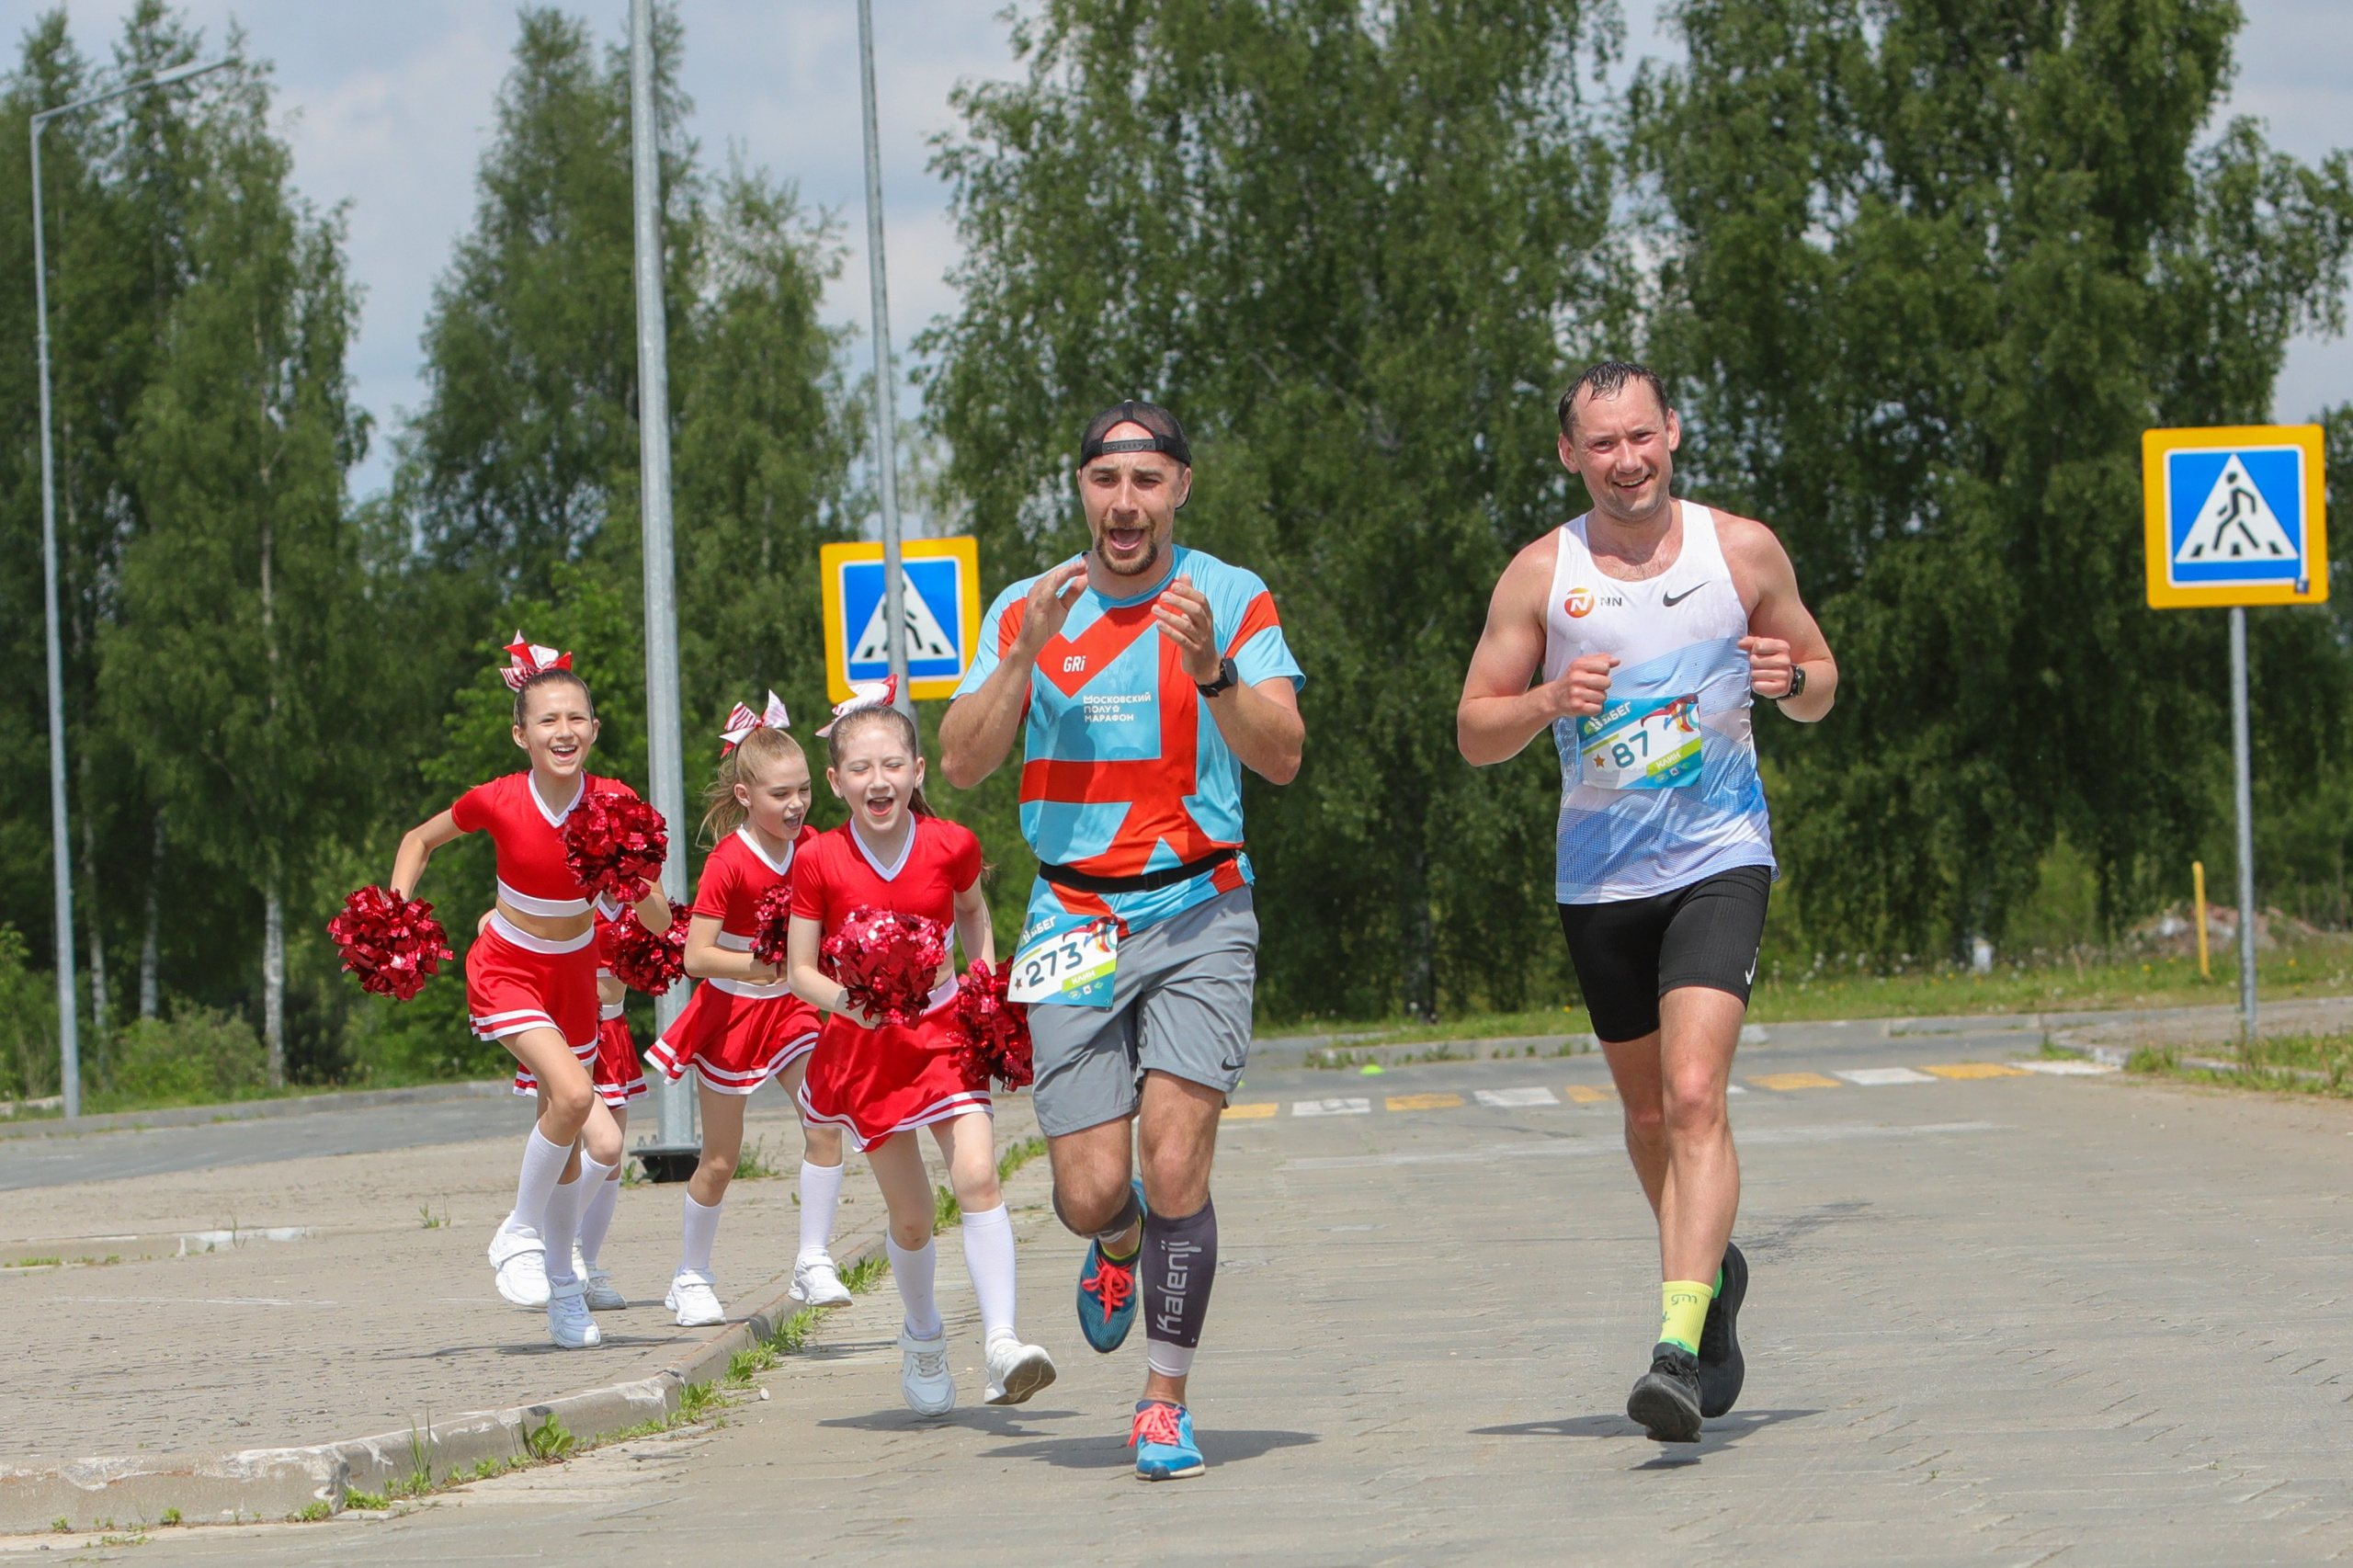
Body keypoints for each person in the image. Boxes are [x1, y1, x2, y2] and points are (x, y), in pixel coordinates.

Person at [1455, 362, 1838, 1442]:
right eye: (1602, 445)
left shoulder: (1742, 549)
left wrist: (1789, 678)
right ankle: (1711, 1273)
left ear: (1672, 430)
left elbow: (1820, 677)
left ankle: (1675, 1344)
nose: (1627, 461)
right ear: (1571, 455)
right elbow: (1473, 731)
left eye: (1642, 437)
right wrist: (1541, 698)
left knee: (1692, 1090)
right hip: (1601, 875)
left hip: (1720, 855)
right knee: (1643, 1116)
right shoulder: (1542, 574)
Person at [938, 400, 1305, 1481]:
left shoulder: (1227, 598)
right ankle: (1114, 1240)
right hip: (1072, 915)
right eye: (1107, 480)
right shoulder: (1026, 604)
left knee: (1177, 1157)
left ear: (1180, 488)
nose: (1127, 502)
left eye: (1149, 480)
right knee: (1091, 1189)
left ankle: (1162, 1399)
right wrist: (1024, 659)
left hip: (1199, 905)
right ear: (1083, 492)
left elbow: (1281, 756)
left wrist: (1214, 672)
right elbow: (960, 764)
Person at [390, 636, 672, 1350]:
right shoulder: (498, 799)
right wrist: (397, 915)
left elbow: (660, 916)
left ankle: (564, 1294)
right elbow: (419, 840)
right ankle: (515, 1232)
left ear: (595, 729)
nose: (563, 731)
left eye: (576, 717)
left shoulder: (617, 803)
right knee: (576, 1101)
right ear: (521, 734)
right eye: (547, 720)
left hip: (574, 973)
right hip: (508, 963)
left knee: (575, 1142)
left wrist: (634, 885)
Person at [784, 687, 1056, 1415]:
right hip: (868, 1046)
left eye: (894, 765)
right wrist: (855, 1001)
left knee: (978, 1178)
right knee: (909, 1218)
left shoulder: (951, 843)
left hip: (943, 1032)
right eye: (862, 768)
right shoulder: (818, 860)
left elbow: (971, 909)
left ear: (918, 770)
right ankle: (925, 1336)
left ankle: (1002, 1346)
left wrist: (983, 986)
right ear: (836, 781)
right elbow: (799, 970)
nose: (880, 781)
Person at [649, 697, 852, 1327]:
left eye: (804, 790)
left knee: (825, 1121)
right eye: (780, 794)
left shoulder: (813, 845)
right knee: (720, 1158)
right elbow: (696, 957)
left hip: (790, 1009)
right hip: (734, 1012)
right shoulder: (729, 862)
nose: (795, 805)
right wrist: (763, 967)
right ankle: (691, 1275)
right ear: (745, 794)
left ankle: (813, 1259)